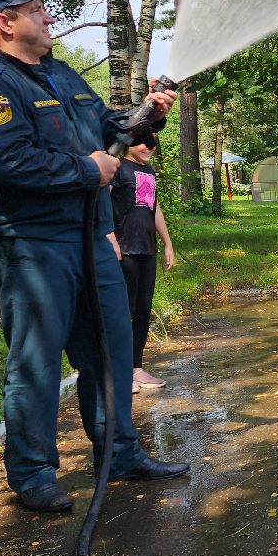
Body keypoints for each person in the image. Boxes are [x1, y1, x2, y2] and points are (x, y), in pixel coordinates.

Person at [0, 0, 188, 514]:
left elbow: (110, 126)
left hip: (92, 239)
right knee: (36, 362)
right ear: (5, 23)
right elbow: (5, 163)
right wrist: (88, 170)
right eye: (36, 10)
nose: (49, 17)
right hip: (32, 246)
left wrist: (148, 115)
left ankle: (120, 454)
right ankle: (34, 475)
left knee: (113, 351)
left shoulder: (63, 74)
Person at [111, 135, 176, 392]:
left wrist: (168, 243)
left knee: (142, 309)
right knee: (123, 311)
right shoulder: (117, 167)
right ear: (128, 144)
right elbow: (102, 202)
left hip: (147, 248)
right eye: (143, 143)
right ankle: (120, 371)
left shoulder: (148, 170)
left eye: (153, 144)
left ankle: (136, 369)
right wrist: (108, 236)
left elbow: (154, 208)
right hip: (124, 249)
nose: (149, 148)